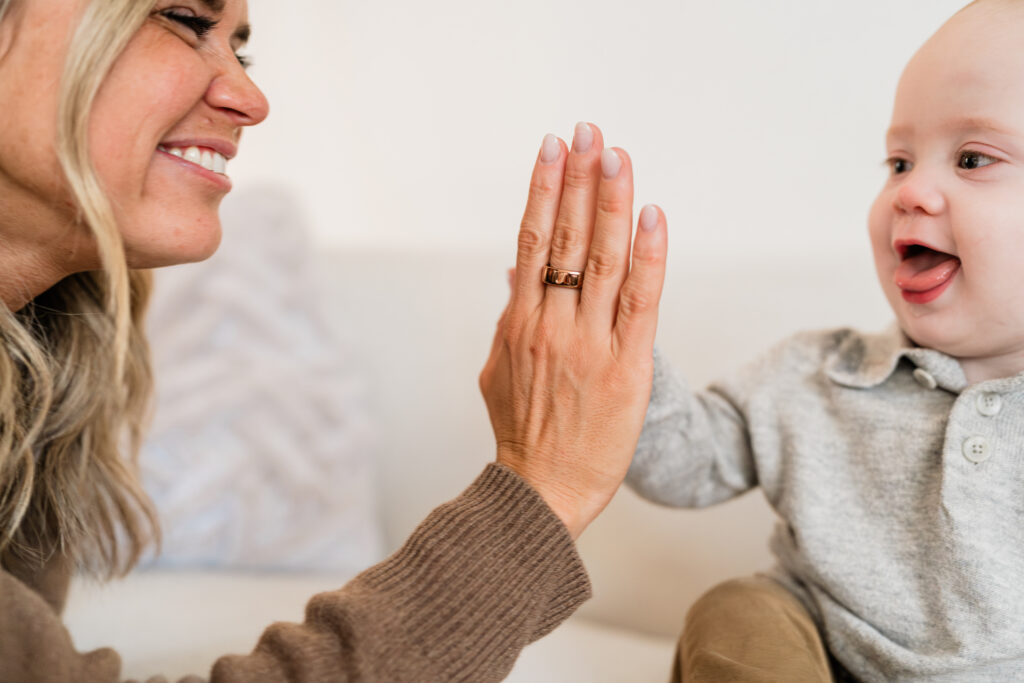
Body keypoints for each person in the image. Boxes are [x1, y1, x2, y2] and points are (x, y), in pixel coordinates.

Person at [0, 1, 669, 681]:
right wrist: (543, 485)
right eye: (183, 19)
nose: (250, 99)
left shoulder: (42, 358)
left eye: (241, 49)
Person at [626, 0, 1024, 680]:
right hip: (815, 651)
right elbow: (679, 463)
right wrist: (619, 353)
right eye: (898, 162)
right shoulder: (816, 375)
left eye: (971, 157)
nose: (912, 190)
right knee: (739, 608)